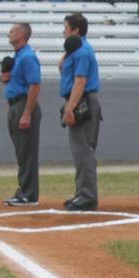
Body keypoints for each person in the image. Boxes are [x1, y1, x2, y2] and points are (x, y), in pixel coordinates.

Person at [59, 13, 102, 212]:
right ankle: (82, 192)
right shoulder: (75, 50)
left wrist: (69, 109)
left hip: (82, 100)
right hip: (79, 99)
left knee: (83, 150)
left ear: (76, 30)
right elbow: (63, 70)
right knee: (80, 151)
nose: (63, 31)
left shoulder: (82, 51)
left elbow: (80, 81)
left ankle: (87, 196)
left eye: (66, 28)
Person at [1, 23, 42, 207]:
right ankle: (24, 190)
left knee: (27, 151)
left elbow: (34, 85)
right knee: (21, 151)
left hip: (24, 104)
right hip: (14, 105)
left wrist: (27, 113)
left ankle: (28, 193)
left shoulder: (27, 57)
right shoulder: (17, 57)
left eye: (13, 31)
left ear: (23, 35)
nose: (9, 33)